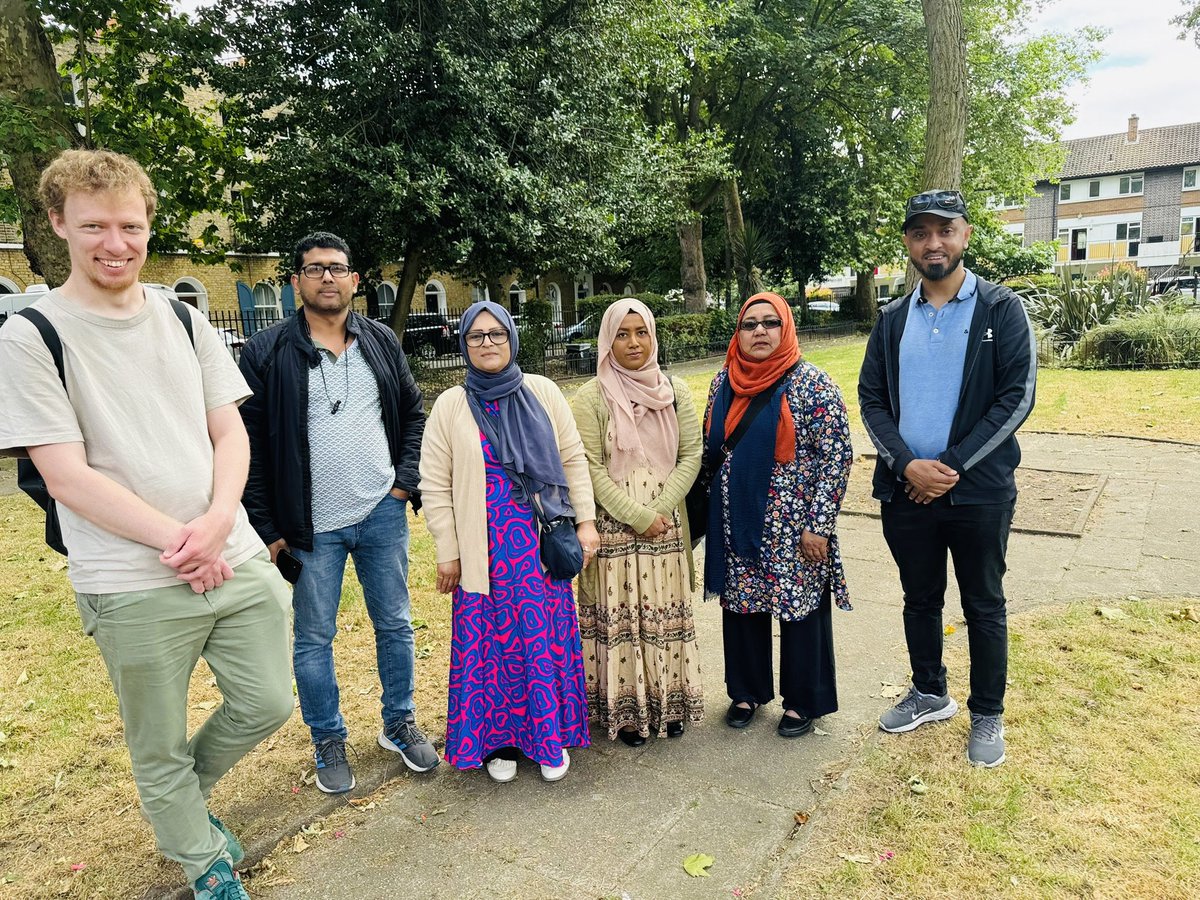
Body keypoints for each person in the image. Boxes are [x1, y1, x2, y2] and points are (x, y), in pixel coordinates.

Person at [0, 149, 292, 899]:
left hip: (233, 555)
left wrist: (219, 518)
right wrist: (178, 541)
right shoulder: (30, 336)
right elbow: (65, 475)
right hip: (131, 579)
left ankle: (179, 804)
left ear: (148, 226)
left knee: (267, 701)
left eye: (129, 225)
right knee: (155, 743)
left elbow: (231, 433)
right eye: (94, 225)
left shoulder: (184, 318)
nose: (115, 243)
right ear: (58, 221)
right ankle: (203, 861)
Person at [238, 232, 438, 794]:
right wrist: (269, 529)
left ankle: (398, 723)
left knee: (395, 624)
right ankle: (328, 738)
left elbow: (413, 414)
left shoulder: (380, 341)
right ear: (297, 281)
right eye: (315, 268)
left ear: (354, 280)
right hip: (307, 528)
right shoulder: (267, 352)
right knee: (314, 637)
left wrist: (402, 485)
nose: (327, 277)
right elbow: (245, 446)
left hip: (381, 513)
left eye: (338, 268)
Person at [859, 189, 1036, 768]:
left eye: (945, 230)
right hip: (907, 490)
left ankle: (987, 713)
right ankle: (930, 691)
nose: (933, 243)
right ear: (908, 243)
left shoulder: (1001, 309)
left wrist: (952, 467)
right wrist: (908, 464)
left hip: (980, 491)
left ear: (965, 235)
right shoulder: (891, 320)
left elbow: (1016, 397)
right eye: (920, 233)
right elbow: (872, 399)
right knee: (919, 597)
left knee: (984, 603)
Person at [420, 300, 598, 784]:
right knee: (492, 648)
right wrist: (449, 550)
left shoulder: (542, 392)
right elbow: (434, 484)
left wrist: (586, 522)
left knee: (542, 641)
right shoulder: (451, 405)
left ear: (512, 338)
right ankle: (498, 743)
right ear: (463, 344)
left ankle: (548, 737)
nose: (487, 344)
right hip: (485, 550)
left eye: (497, 334)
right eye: (476, 336)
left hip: (540, 543)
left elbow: (573, 458)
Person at [703, 292, 854, 739]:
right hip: (737, 522)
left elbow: (836, 458)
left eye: (770, 323)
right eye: (750, 325)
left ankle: (803, 700)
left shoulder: (813, 383)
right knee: (743, 608)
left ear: (786, 328)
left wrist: (819, 526)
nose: (760, 332)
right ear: (739, 333)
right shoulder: (722, 382)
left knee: (800, 611)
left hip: (795, 529)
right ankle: (746, 691)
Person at [571, 299, 704, 745]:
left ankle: (670, 703)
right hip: (613, 531)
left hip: (666, 530)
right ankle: (626, 713)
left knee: (665, 619)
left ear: (653, 336)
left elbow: (691, 455)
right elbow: (586, 468)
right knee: (621, 620)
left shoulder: (675, 390)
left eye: (641, 332)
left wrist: (660, 511)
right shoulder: (590, 397)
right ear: (608, 340)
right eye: (622, 334)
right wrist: (636, 516)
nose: (633, 342)